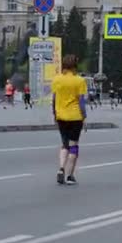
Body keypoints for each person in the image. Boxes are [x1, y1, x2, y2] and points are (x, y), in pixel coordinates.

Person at [52, 55, 87, 185]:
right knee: (74, 146)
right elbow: (81, 102)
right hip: (75, 117)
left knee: (64, 144)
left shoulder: (56, 80)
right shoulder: (79, 81)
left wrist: (54, 115)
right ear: (75, 66)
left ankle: (61, 168)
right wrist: (84, 117)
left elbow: (54, 99)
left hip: (61, 116)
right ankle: (70, 176)